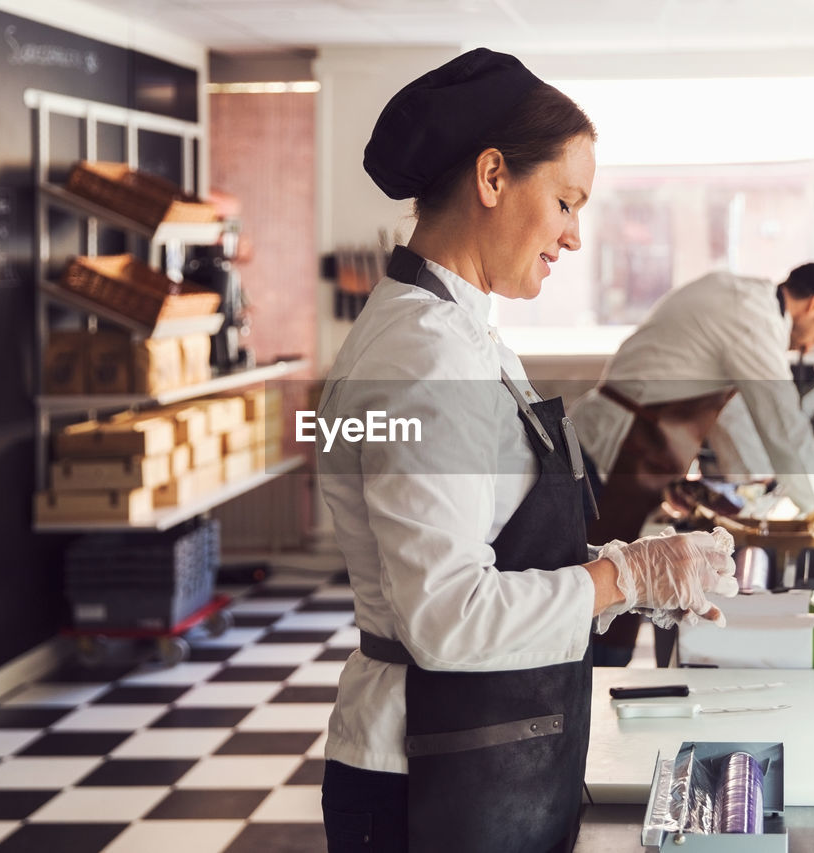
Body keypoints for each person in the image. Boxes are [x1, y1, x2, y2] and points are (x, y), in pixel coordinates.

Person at [316, 48, 739, 853]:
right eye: (566, 201)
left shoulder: (464, 333)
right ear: (492, 177)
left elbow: (498, 546)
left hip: (480, 752)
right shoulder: (423, 359)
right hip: (423, 778)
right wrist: (620, 576)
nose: (575, 236)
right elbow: (447, 615)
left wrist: (632, 578)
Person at [569, 264, 814, 666]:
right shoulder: (750, 317)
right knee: (597, 600)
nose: (807, 349)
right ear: (813, 304)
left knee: (614, 595)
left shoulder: (742, 298)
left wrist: (757, 486)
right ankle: (588, 698)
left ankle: (595, 688)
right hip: (611, 454)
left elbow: (734, 416)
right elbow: (783, 427)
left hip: (623, 454)